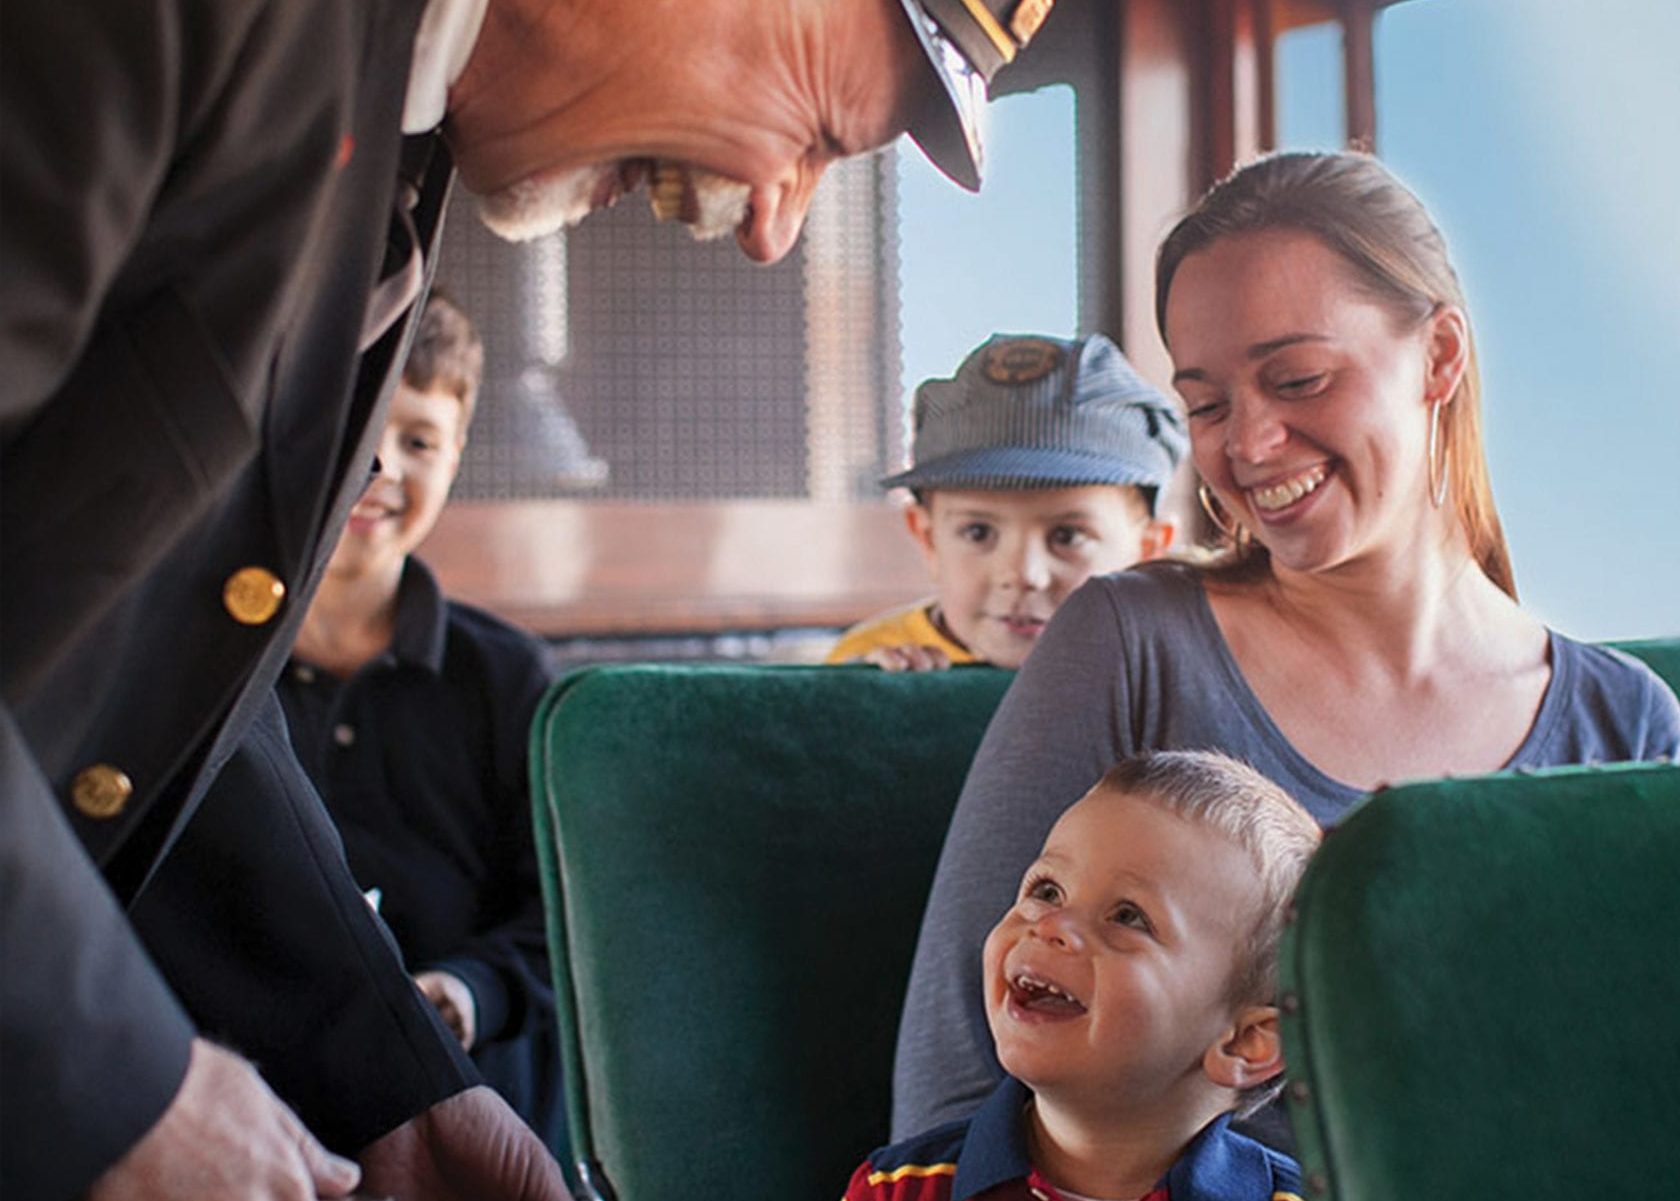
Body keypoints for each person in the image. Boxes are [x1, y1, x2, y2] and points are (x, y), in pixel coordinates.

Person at [0, 1, 1063, 1198]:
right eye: (814, 130)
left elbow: (165, 653)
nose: (775, 223)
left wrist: (396, 1082)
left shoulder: (391, 161)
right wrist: (114, 1075)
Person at [890, 150, 1680, 1140]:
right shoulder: (1129, 644)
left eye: (1299, 378)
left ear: (1439, 356)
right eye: (1208, 404)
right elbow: (956, 1090)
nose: (1250, 446)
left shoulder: (1630, 719)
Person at [275, 291, 567, 1154]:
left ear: (457, 454)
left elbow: (562, 911)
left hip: (470, 1098)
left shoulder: (507, 674)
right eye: (356, 432)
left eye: (417, 440)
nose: (381, 471)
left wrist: (472, 988)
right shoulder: (204, 674)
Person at [845, 751, 1317, 1201]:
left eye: (1128, 917)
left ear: (1247, 1042)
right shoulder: (899, 1188)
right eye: (1048, 890)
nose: (1052, 926)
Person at [827, 333, 1184, 671]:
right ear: (928, 538)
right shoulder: (865, 658)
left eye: (1068, 536)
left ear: (1148, 551)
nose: (1023, 575)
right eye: (978, 532)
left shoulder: (1171, 668)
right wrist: (871, 698)